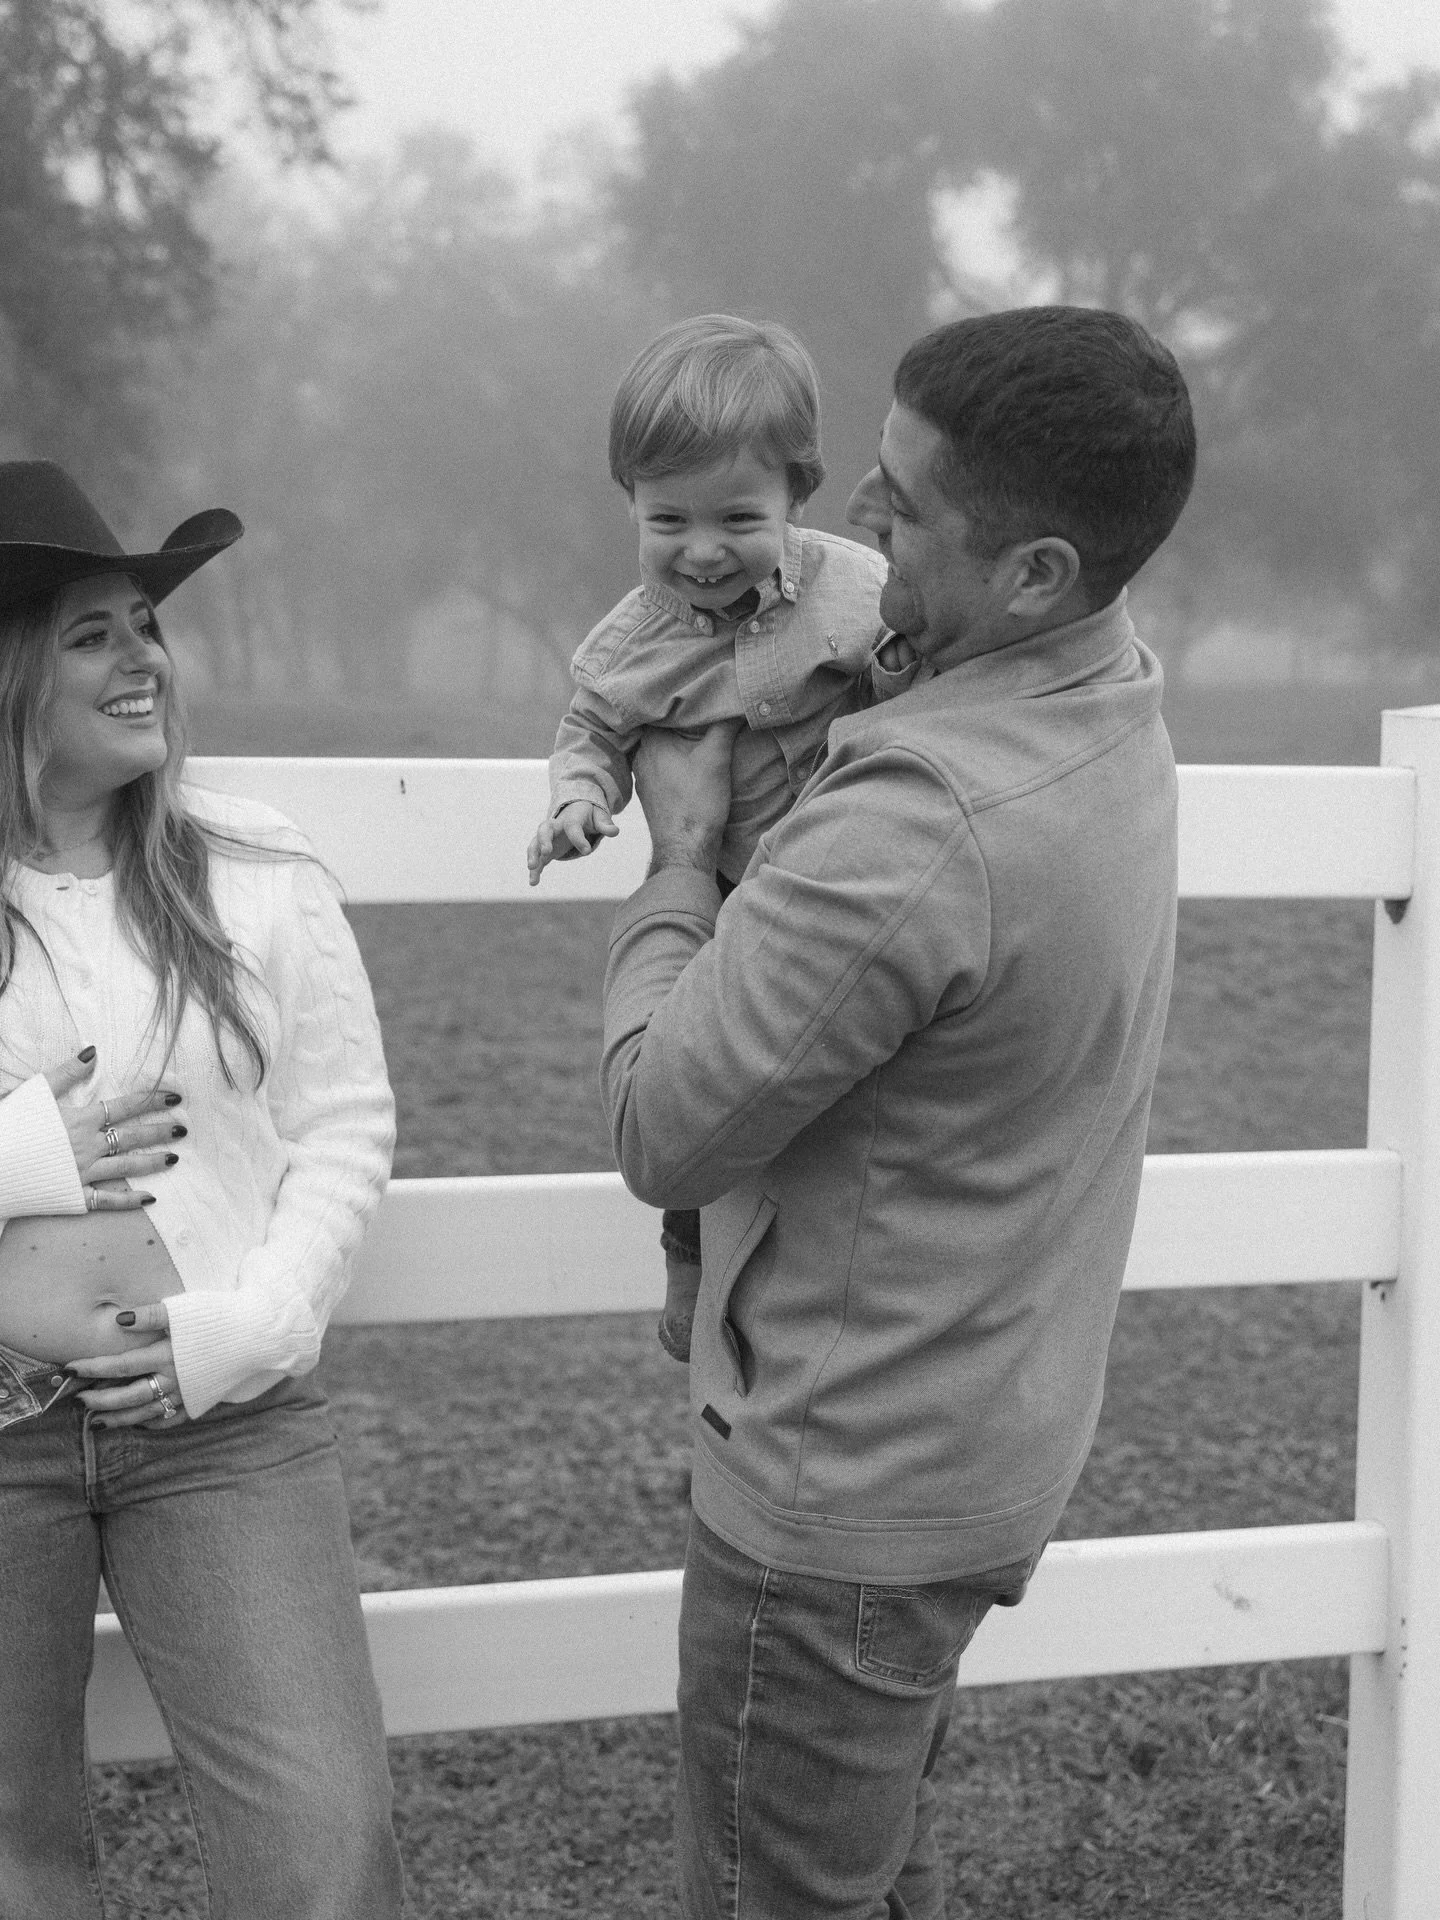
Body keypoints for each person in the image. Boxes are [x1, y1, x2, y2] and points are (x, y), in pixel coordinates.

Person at [600, 306, 1197, 1918]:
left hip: (837, 1493)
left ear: (1037, 575)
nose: (851, 525)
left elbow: (665, 1123)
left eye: (903, 506)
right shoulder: (1114, 699)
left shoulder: (917, 823)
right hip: (980, 1437)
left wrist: (674, 861)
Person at [0, 462, 404, 1919]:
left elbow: (345, 1125)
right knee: (16, 1864)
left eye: (144, 626)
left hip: (216, 1418)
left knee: (321, 1852)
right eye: (93, 633)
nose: (142, 660)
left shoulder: (256, 867)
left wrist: (259, 1324)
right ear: (12, 668)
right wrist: (26, 1158)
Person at [526, 313, 909, 1363]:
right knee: (700, 1083)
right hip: (728, 911)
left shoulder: (861, 594)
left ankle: (834, 1273)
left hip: (844, 887)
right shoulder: (625, 647)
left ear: (799, 491)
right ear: (631, 505)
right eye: (666, 521)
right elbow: (591, 734)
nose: (700, 551)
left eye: (738, 516)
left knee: (849, 1097)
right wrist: (578, 804)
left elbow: (918, 681)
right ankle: (691, 1254)